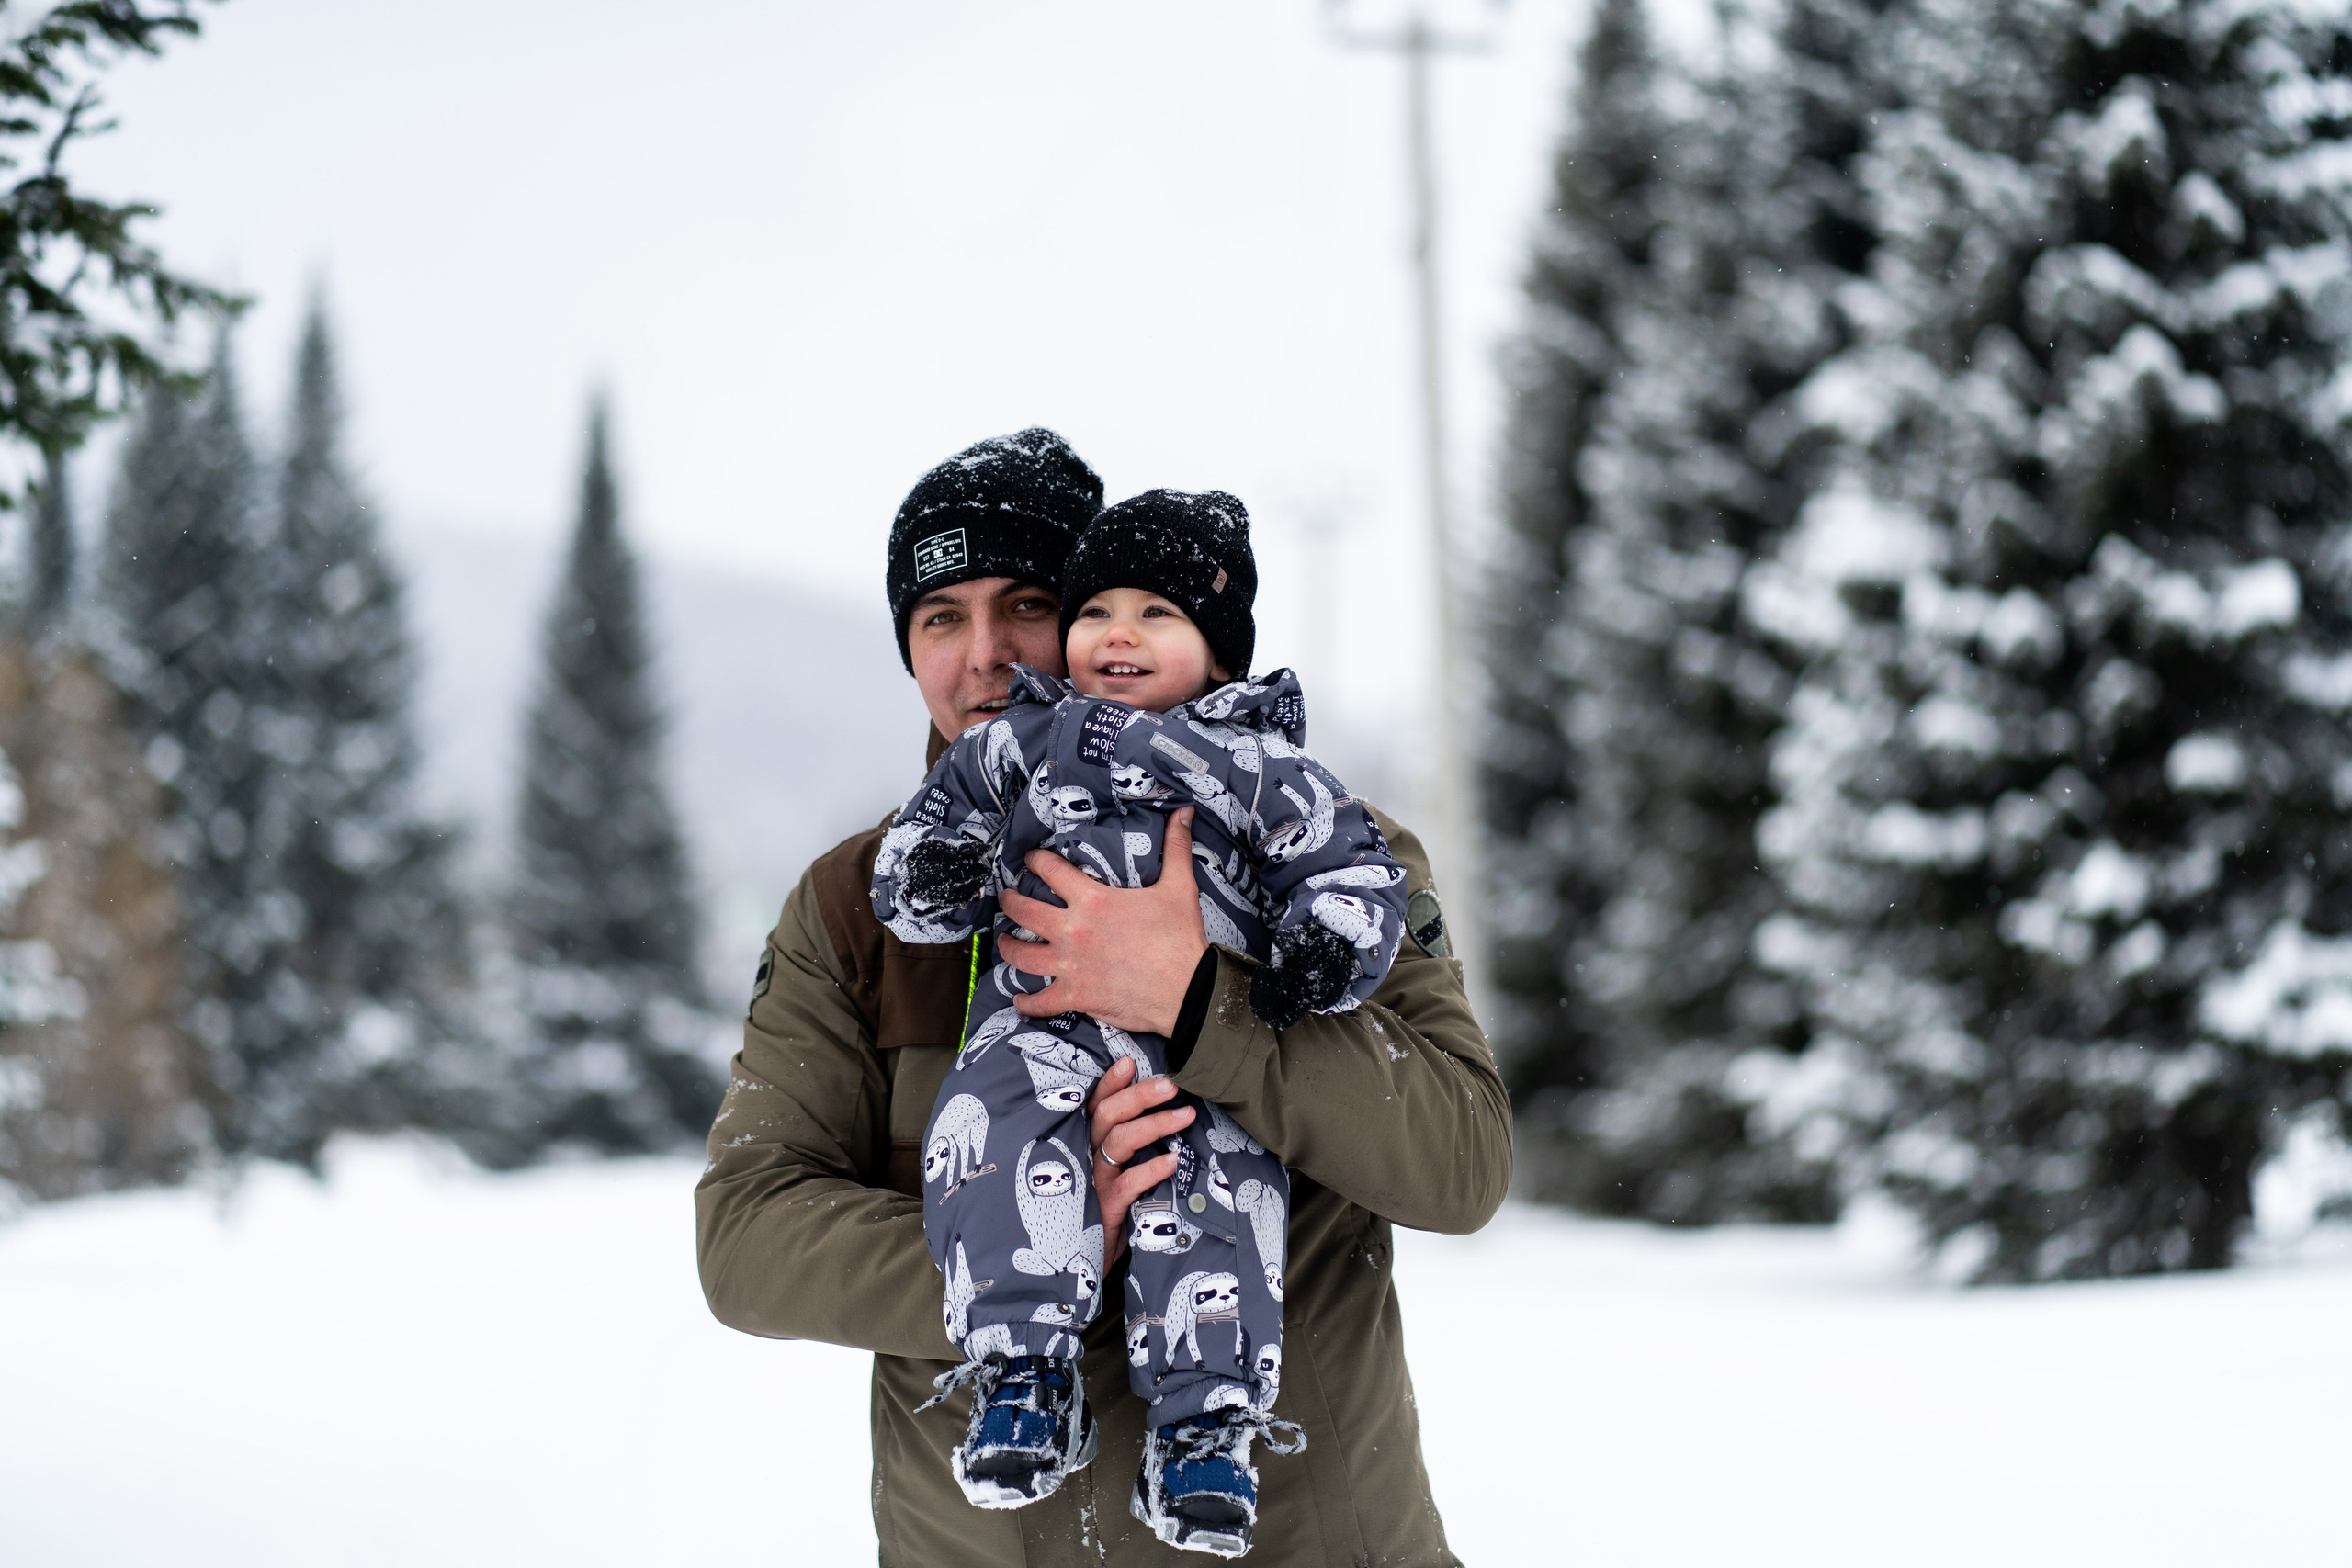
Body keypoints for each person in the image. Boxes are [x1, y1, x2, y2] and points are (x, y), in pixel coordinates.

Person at [695, 427, 1513, 1567]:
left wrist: (1200, 1006)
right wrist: (1048, 1226)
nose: (983, 658)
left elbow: (1462, 1163)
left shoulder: (1320, 854)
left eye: (1025, 603)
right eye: (940, 618)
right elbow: (747, 1238)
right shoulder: (858, 905)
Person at [872, 488, 1411, 1558]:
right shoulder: (1025, 740)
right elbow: (926, 847)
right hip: (1041, 1031)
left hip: (1202, 1058)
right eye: (1097, 611)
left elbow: (1346, 866)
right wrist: (933, 872)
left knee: (1218, 1196)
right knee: (985, 1133)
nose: (1120, 634)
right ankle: (1021, 1372)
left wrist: (1323, 943)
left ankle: (1208, 1427)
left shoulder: (1264, 767)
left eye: (1158, 614)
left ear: (1220, 653)